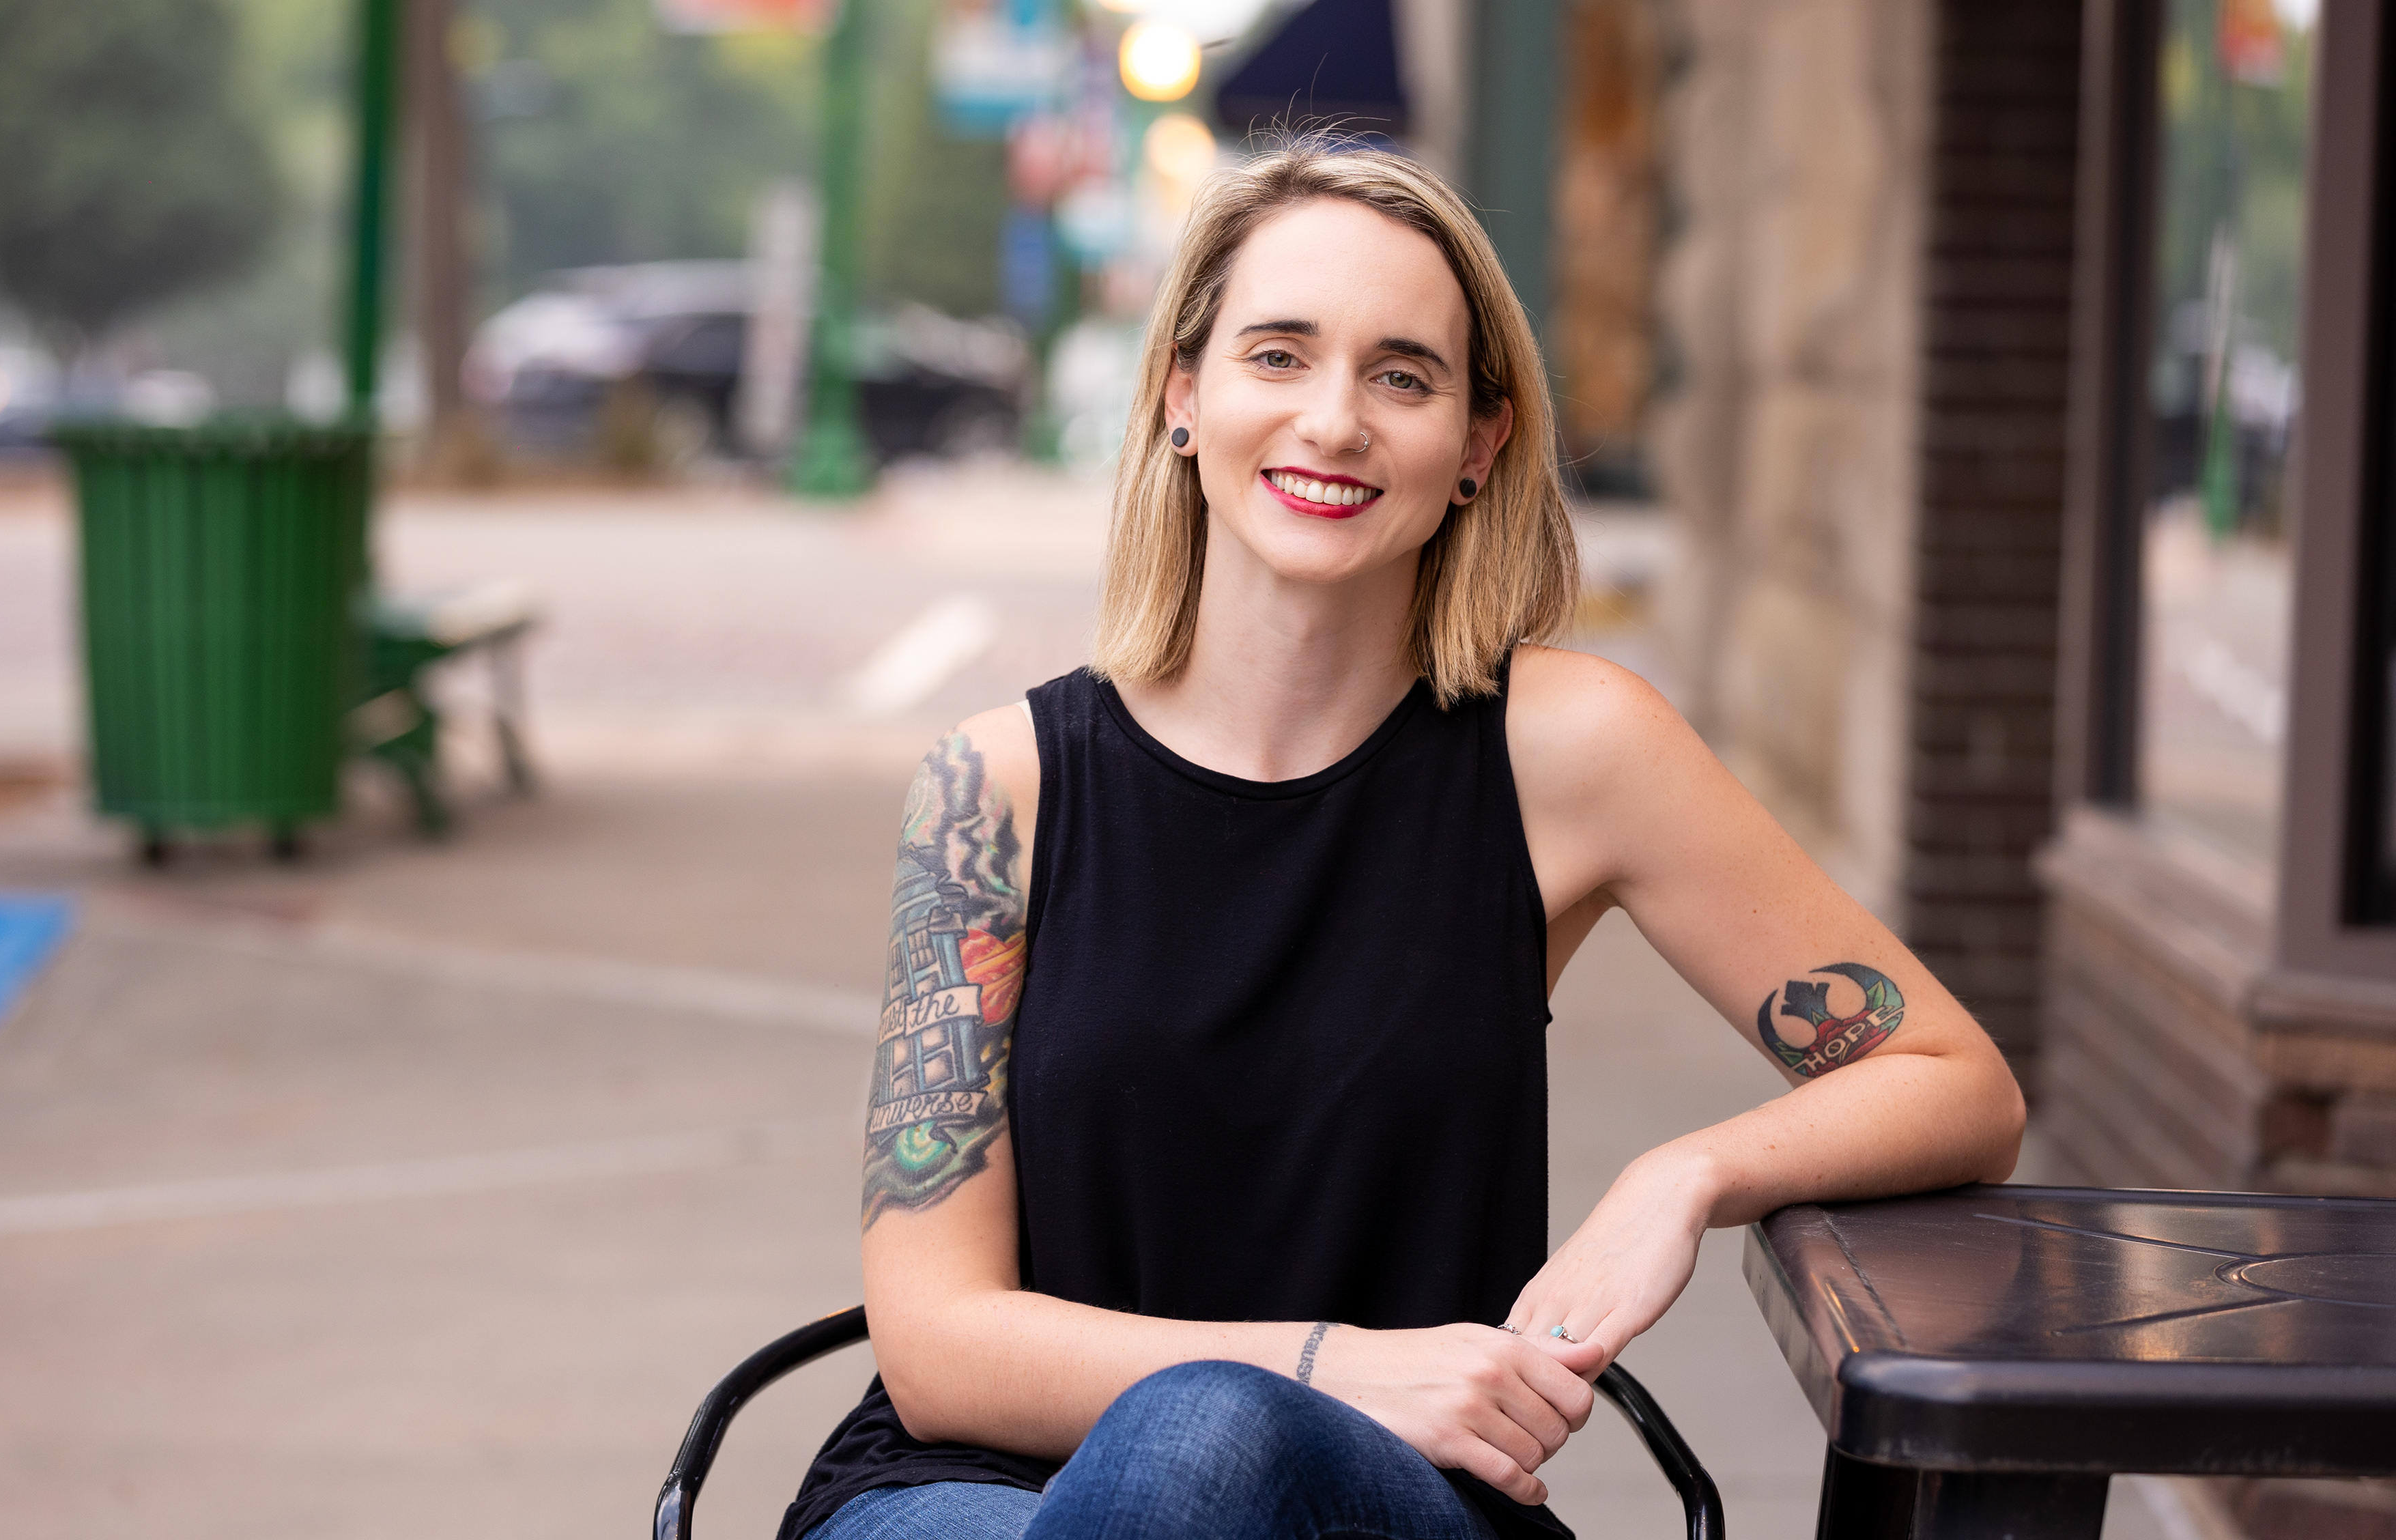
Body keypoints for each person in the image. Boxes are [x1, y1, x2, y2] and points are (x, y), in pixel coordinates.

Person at [781, 142, 2024, 1540]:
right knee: (1194, 1433)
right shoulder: (994, 790)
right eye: (1278, 355)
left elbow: (1955, 1081)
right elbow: (936, 1345)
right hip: (979, 1490)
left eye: (1403, 376)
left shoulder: (1568, 753)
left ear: (1479, 445)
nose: (1333, 421)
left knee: (1209, 1435)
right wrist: (1328, 1366)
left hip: (1387, 1502)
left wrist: (1681, 1180)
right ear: (1183, 395)